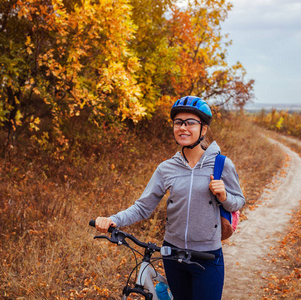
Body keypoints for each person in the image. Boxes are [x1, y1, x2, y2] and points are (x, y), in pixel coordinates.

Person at [95, 96, 245, 300]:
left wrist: (225, 196)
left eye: (190, 122)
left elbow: (239, 201)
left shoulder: (221, 164)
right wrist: (114, 219)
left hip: (207, 256)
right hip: (172, 255)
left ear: (204, 129)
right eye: (178, 122)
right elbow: (142, 208)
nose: (183, 127)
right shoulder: (166, 168)